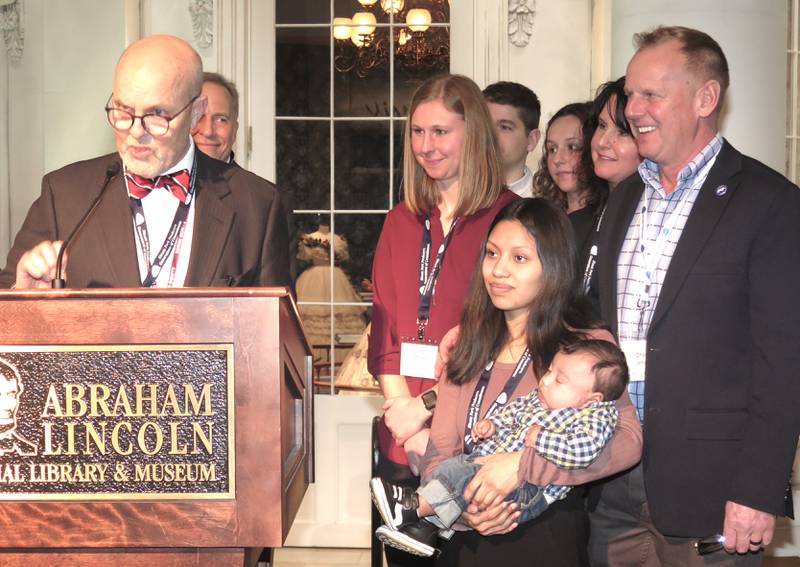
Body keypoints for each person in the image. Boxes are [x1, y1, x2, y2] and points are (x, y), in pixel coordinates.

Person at [589, 25, 800, 565]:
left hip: (714, 490)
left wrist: (758, 490)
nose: (632, 108)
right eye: (630, 93)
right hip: (610, 476)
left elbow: (783, 364)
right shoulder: (622, 199)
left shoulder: (771, 204)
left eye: (650, 94)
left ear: (706, 98)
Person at [419, 198, 642, 566]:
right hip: (464, 540)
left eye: (519, 258)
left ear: (552, 267)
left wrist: (524, 465)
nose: (499, 270)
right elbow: (439, 450)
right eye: (492, 254)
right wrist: (460, 512)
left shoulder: (585, 347)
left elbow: (628, 441)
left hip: (544, 536)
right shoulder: (468, 343)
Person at [367, 73, 518, 567]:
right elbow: (386, 331)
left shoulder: (511, 220)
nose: (425, 147)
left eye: (440, 132)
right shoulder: (400, 219)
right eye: (417, 132)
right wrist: (404, 417)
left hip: (468, 441)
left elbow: (511, 341)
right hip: (402, 435)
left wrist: (427, 409)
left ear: (472, 133)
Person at [0, 35, 290, 289]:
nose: (136, 132)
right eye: (123, 111)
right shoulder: (63, 194)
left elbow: (275, 335)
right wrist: (23, 295)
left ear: (195, 112)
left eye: (157, 114)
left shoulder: (257, 205)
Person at [372, 339, 629, 558]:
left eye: (559, 380)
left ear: (593, 398)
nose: (546, 381)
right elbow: (513, 412)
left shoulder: (596, 416)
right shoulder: (540, 399)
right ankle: (422, 530)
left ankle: (411, 507)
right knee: (458, 468)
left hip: (528, 491)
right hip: (491, 467)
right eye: (548, 371)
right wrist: (492, 425)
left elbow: (583, 451)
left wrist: (538, 441)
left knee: (459, 471)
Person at [578, 78, 641, 291]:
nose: (603, 142)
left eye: (622, 132)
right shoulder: (578, 221)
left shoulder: (649, 225)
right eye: (602, 125)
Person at [534, 102, 606, 279]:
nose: (558, 159)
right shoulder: (544, 216)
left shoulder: (606, 219)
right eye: (552, 149)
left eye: (573, 147)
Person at [482, 81, 542, 198]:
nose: (491, 135)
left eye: (505, 127)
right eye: (485, 125)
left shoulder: (548, 203)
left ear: (531, 140)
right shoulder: (452, 194)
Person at [192, 71, 239, 164]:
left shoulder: (248, 179)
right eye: (197, 116)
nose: (208, 132)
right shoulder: (155, 176)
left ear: (234, 130)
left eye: (221, 120)